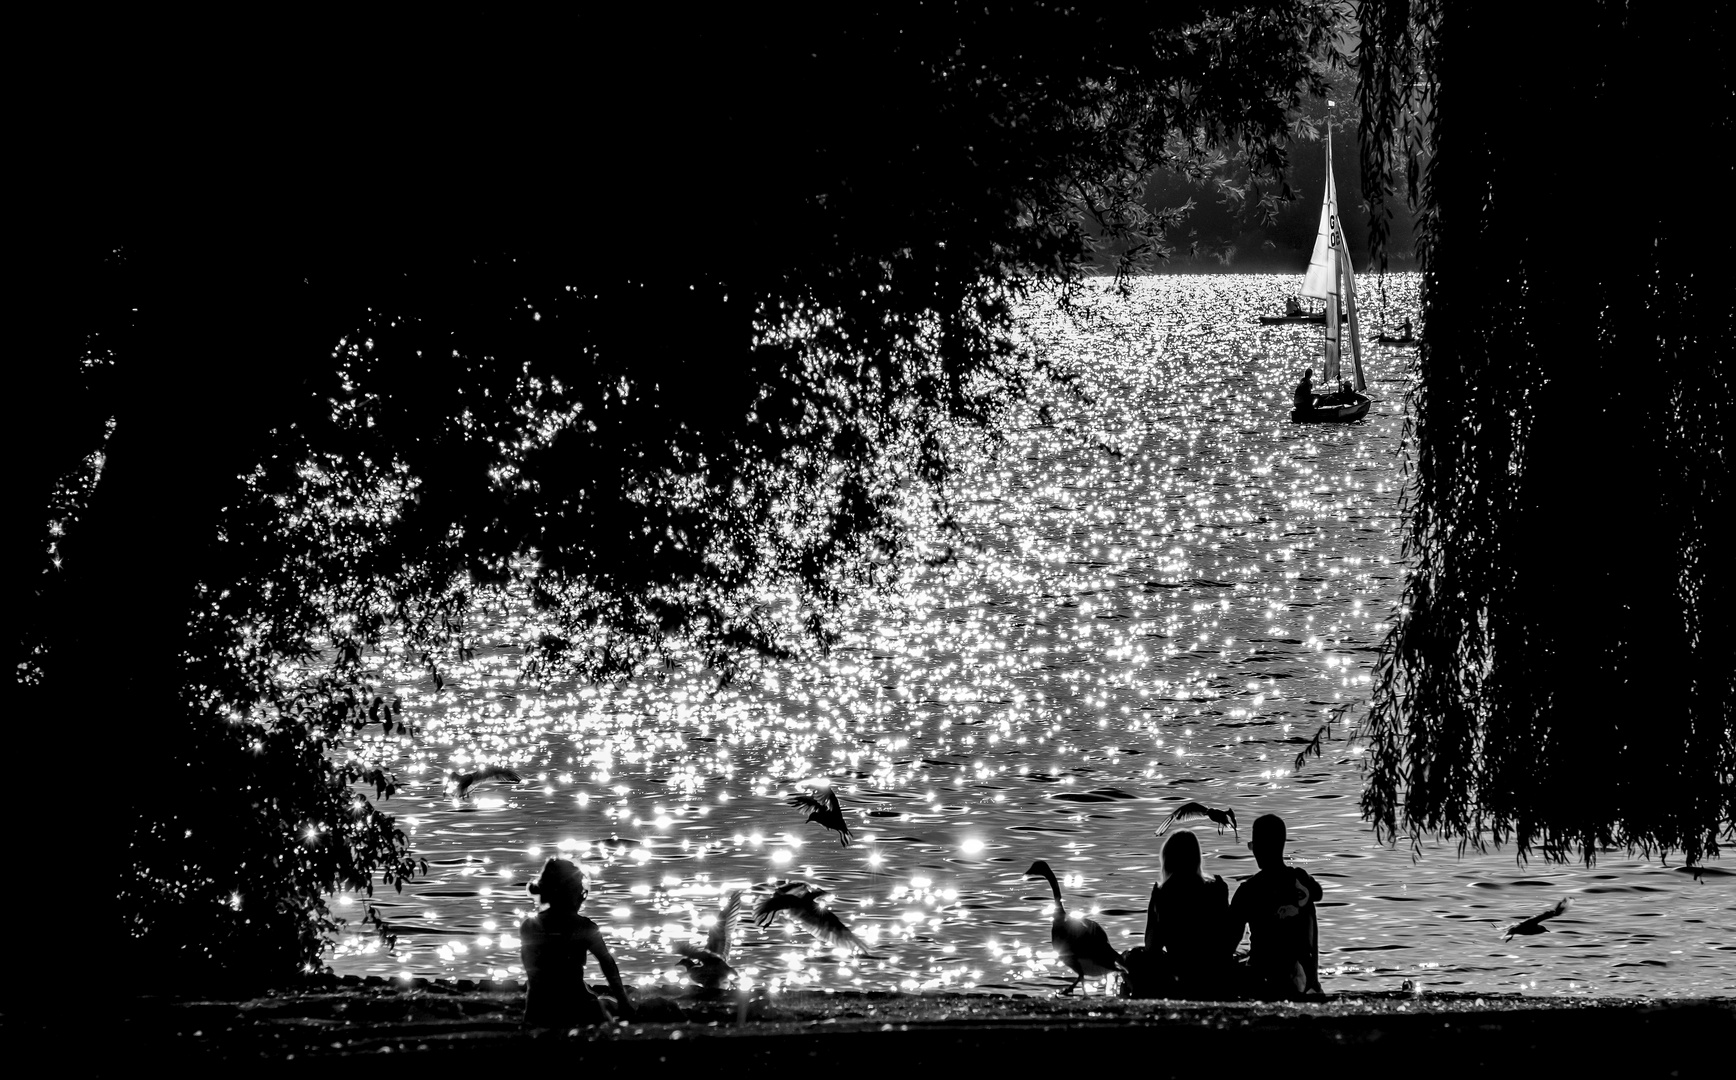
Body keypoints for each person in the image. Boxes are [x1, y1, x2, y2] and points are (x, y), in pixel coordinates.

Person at [519, 857, 635, 1027]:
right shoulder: (584, 927)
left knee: (600, 1000)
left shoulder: (529, 926)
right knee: (606, 1004)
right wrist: (624, 1001)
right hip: (577, 1010)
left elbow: (535, 975)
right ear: (575, 892)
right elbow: (608, 964)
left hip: (538, 1011)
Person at [1227, 814, 1324, 1000]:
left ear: (1260, 847)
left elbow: (1229, 942)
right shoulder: (1302, 881)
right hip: (1303, 980)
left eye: (1253, 845)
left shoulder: (1249, 891)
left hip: (1264, 979)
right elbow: (1318, 893)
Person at [1138, 830, 1233, 998]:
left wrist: (1154, 908)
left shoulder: (1163, 895)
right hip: (1214, 975)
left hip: (1179, 972)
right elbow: (1226, 941)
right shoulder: (1215, 890)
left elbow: (1152, 948)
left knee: (1134, 958)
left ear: (1167, 860)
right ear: (1196, 858)